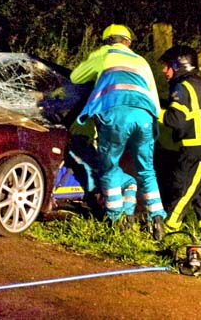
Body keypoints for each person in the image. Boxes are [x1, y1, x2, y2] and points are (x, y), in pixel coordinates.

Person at [70, 24, 167, 238]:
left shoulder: (104, 54)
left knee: (110, 167)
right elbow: (154, 99)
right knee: (147, 170)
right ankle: (157, 220)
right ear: (128, 42)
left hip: (115, 114)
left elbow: (76, 78)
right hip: (144, 116)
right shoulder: (141, 61)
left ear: (107, 41)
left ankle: (116, 222)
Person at [158, 45, 201, 252]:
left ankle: (165, 237)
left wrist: (153, 112)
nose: (164, 71)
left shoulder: (181, 88)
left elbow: (175, 120)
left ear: (179, 66)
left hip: (197, 153)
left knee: (182, 195)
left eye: (167, 66)